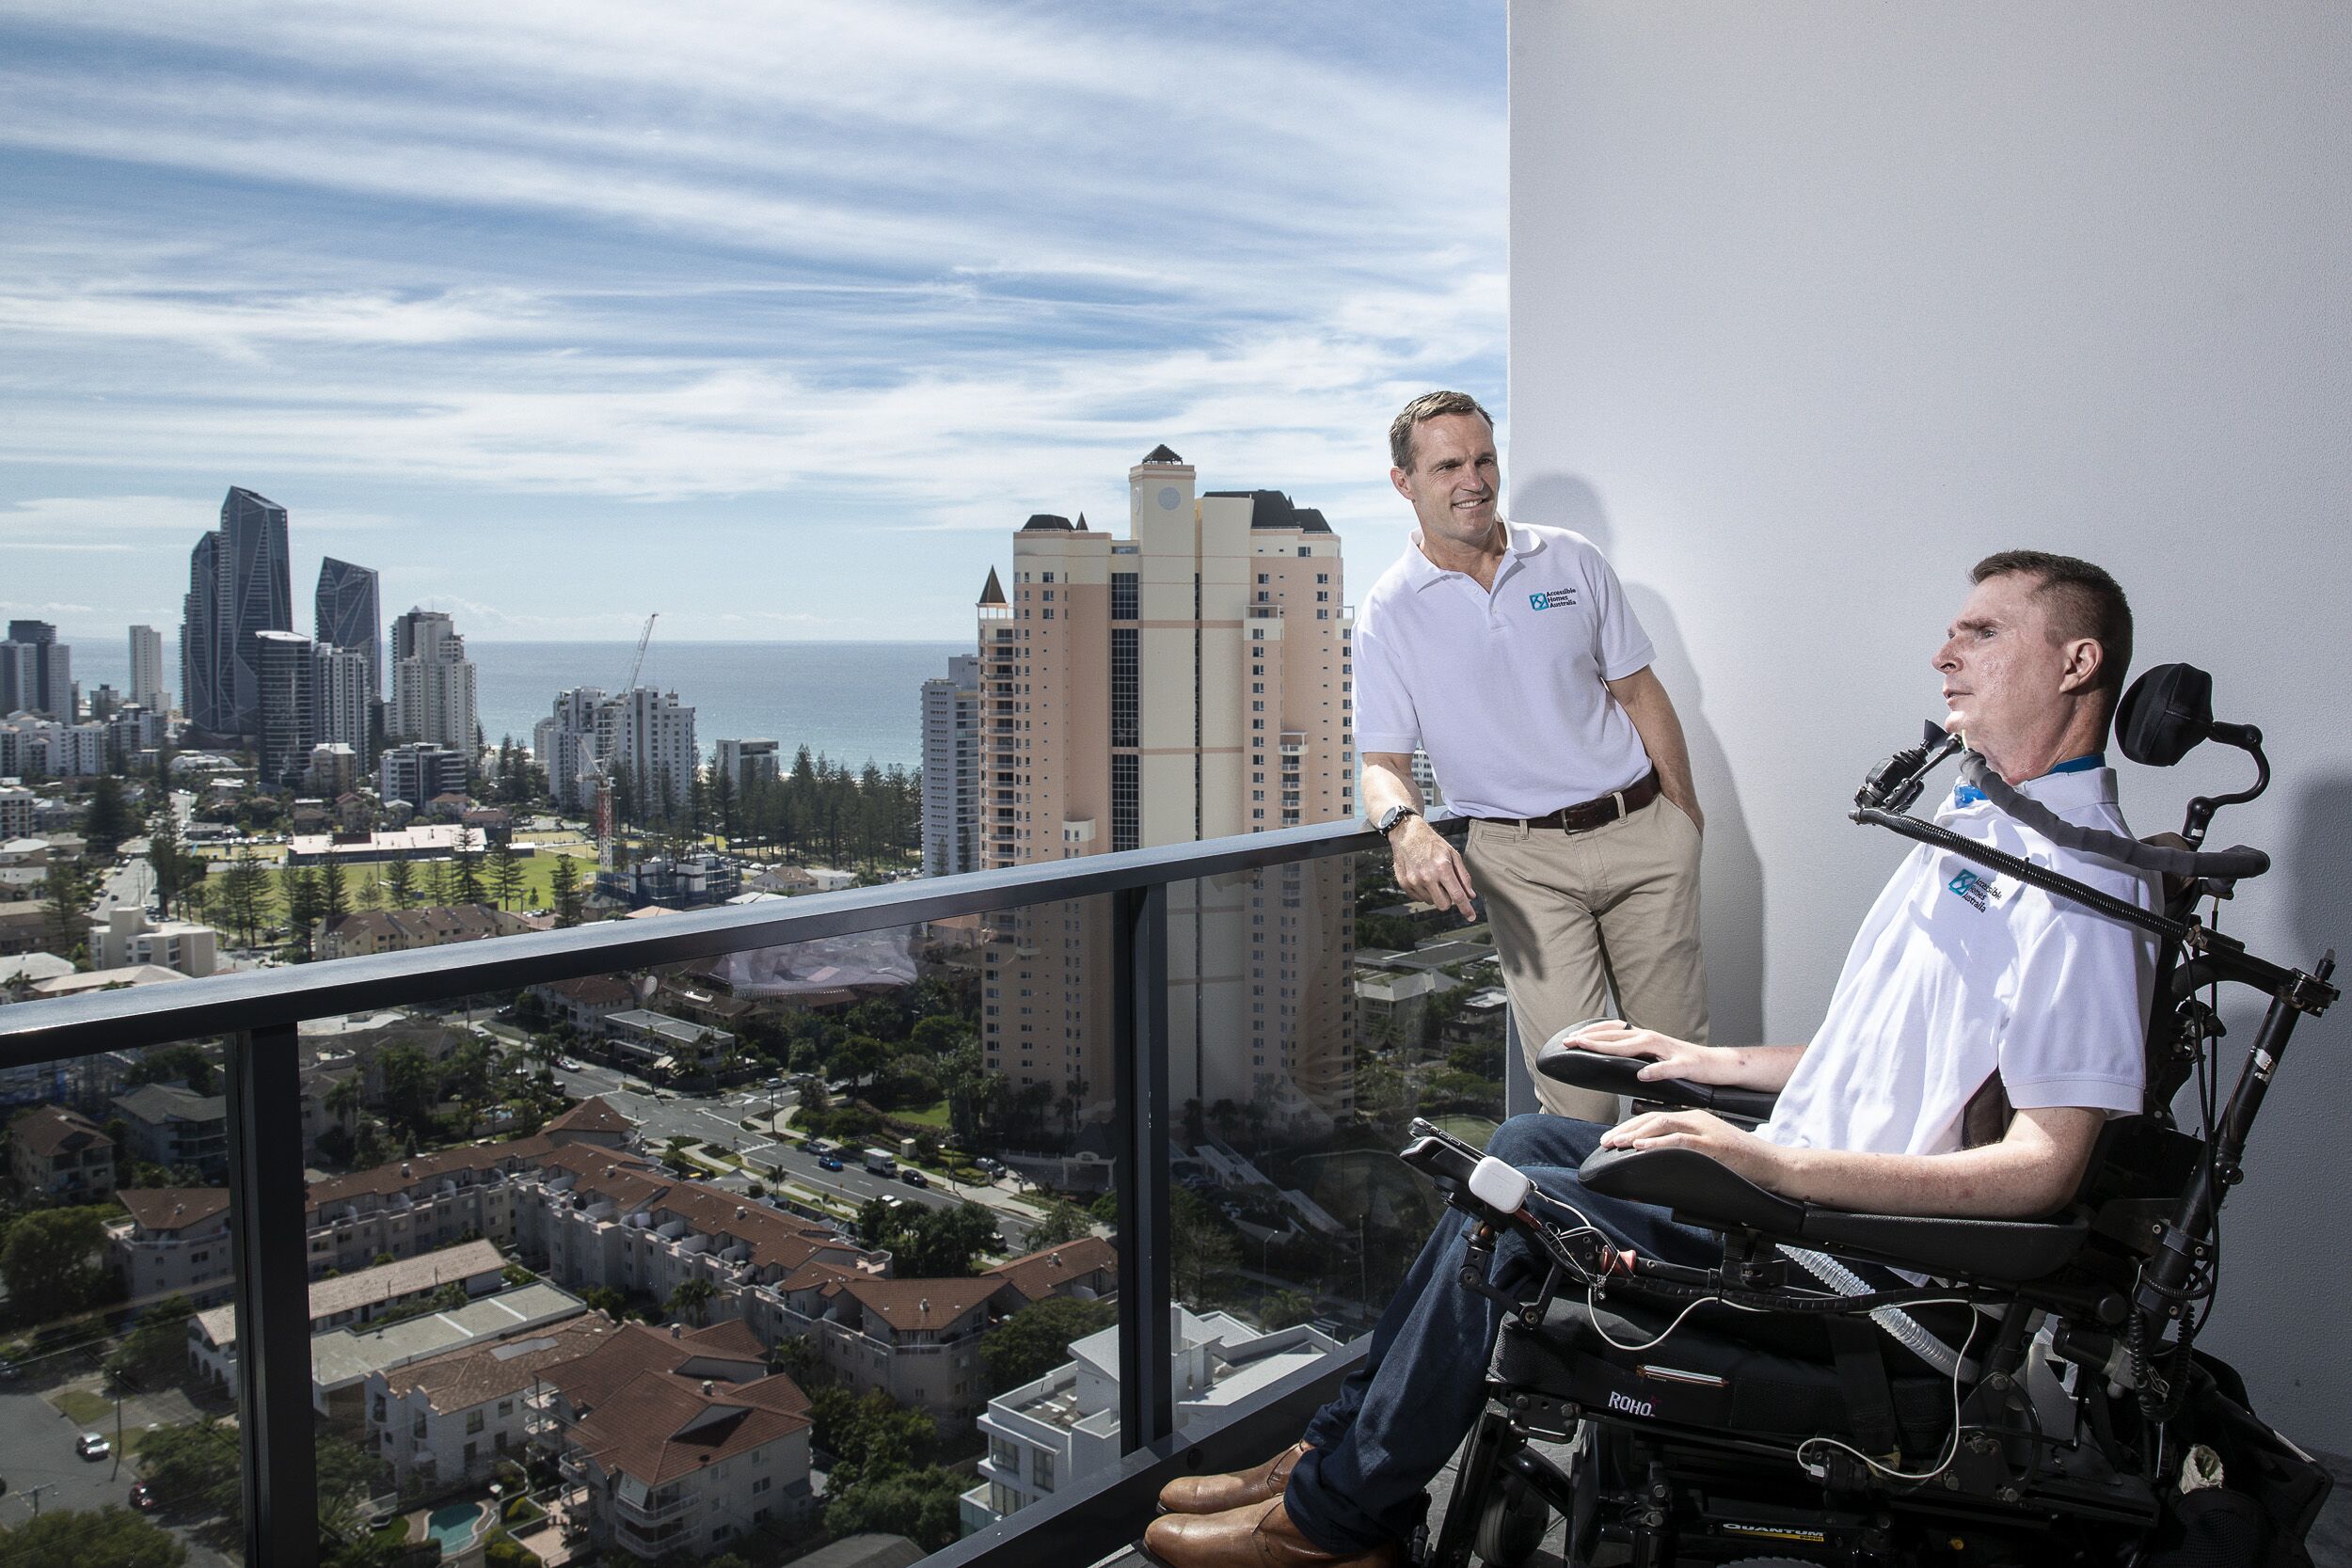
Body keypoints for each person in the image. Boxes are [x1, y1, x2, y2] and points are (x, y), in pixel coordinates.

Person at [1142, 551, 2158, 1568]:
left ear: (2075, 662)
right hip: (1807, 1202)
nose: (1943, 652)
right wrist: (1694, 1060)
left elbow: (2046, 1163)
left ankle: (1331, 1522)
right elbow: (1883, 1058)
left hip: (1859, 1267)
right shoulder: (1982, 829)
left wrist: (1766, 1164)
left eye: (1981, 632)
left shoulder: (2078, 887)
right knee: (1527, 1137)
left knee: (1505, 1195)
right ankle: (1332, 1457)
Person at [1355, 390, 1707, 1119]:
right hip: (1522, 867)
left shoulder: (1570, 559)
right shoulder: (1389, 608)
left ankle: (1684, 1236)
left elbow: (1640, 694)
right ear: (1404, 482)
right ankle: (1596, 1239)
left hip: (1643, 834)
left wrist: (1683, 819)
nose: (1474, 480)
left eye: (1484, 459)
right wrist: (1407, 828)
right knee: (1577, 1095)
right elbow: (1382, 761)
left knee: (1679, 1074)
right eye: (1449, 464)